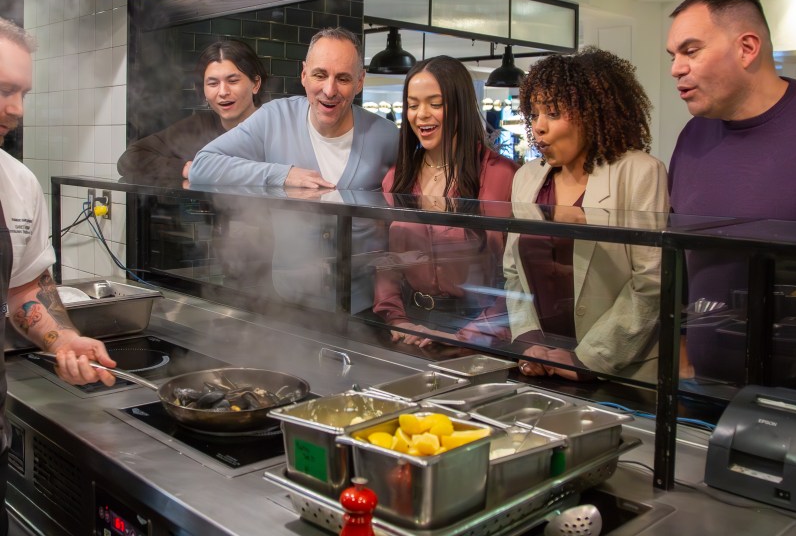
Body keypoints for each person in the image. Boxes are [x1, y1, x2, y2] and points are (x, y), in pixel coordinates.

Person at [0, 18, 116, 535]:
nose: (17, 110)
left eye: (23, 93)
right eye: (4, 89)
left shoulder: (16, 183)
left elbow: (25, 286)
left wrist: (63, 337)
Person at [189, 27, 399, 309]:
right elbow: (203, 165)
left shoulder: (386, 136)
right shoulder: (275, 118)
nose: (329, 90)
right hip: (291, 302)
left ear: (360, 81)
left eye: (344, 78)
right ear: (304, 74)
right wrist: (281, 174)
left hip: (366, 305)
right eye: (320, 75)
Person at [504, 47, 669, 382]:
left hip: (620, 373)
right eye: (533, 114)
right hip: (540, 366)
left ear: (592, 111)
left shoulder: (640, 172)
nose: (539, 128)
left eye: (552, 112)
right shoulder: (526, 178)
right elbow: (512, 272)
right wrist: (528, 342)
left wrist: (586, 360)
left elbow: (651, 284)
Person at [666, 0, 796, 383]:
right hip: (708, 388)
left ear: (746, 48)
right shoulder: (692, 137)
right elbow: (685, 261)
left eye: (691, 51)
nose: (676, 68)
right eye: (672, 56)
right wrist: (684, 346)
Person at [373, 56, 518, 347]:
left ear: (461, 106)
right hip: (410, 326)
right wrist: (396, 318)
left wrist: (466, 336)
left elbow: (516, 279)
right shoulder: (396, 177)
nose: (421, 115)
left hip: (480, 330)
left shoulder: (501, 176)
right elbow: (387, 262)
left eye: (435, 104)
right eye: (413, 105)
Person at [117, 40, 267, 182]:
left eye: (233, 81)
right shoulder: (199, 125)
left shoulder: (275, 123)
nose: (223, 92)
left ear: (255, 84)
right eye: (213, 83)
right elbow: (129, 160)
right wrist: (186, 169)